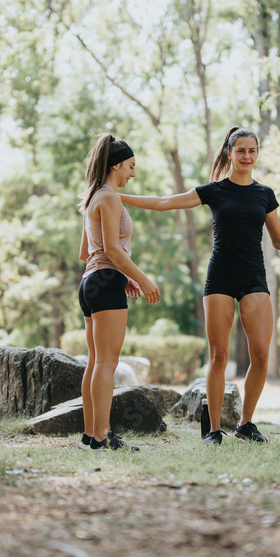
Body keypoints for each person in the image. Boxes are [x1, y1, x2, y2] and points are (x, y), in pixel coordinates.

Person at [120, 126, 280, 445]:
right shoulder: (215, 190)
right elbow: (165, 201)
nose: (247, 156)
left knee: (260, 355)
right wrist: (114, 194)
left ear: (257, 154)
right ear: (229, 154)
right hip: (220, 275)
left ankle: (246, 424)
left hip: (253, 277)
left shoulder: (265, 194)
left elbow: (278, 240)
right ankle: (214, 430)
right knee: (219, 355)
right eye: (241, 150)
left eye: (252, 151)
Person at [77, 134, 161, 450]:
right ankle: (101, 436)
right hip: (105, 283)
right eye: (130, 166)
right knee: (106, 363)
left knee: (96, 361)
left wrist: (120, 274)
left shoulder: (91, 198)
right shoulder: (109, 197)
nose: (132, 174)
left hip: (90, 283)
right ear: (116, 165)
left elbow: (87, 251)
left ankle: (90, 436)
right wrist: (142, 278)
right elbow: (112, 248)